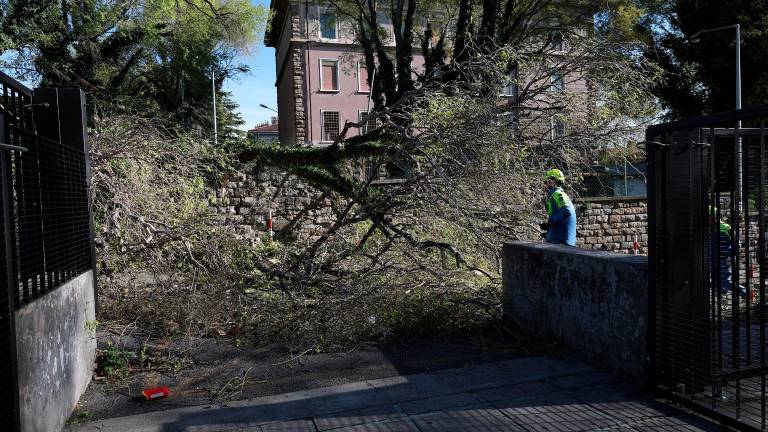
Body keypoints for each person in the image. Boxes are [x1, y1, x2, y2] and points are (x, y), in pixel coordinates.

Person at [539, 168, 577, 246]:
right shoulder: (554, 195)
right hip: (559, 239)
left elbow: (566, 210)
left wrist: (551, 223)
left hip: (562, 241)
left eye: (546, 182)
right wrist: (549, 229)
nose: (545, 185)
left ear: (552, 181)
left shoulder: (558, 194)